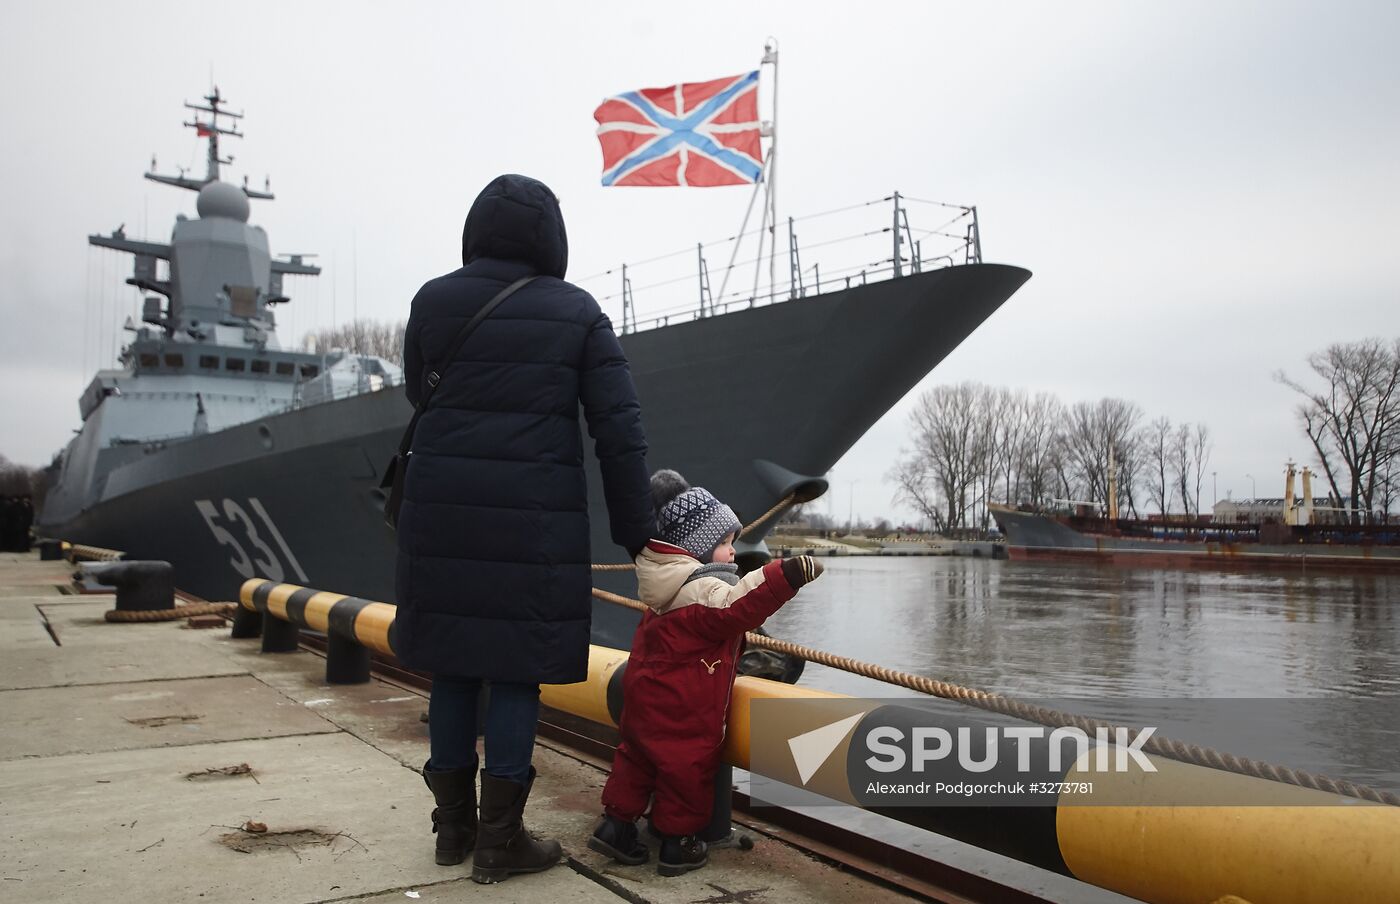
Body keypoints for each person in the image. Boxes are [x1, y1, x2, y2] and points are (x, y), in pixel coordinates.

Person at [395, 174, 653, 884]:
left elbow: (421, 390)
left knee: (452, 665)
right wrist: (638, 534)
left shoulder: (431, 300)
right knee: (514, 674)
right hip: (532, 522)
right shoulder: (576, 312)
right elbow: (618, 432)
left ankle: (452, 830)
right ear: (551, 238)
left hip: (440, 514)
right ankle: (500, 842)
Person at [589, 470, 824, 876]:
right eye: (725, 544)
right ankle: (678, 844)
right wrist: (784, 576)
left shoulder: (661, 589)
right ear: (695, 550)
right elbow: (739, 606)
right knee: (686, 770)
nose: (733, 552)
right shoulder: (704, 592)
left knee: (636, 760)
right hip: (685, 709)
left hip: (643, 698)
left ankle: (616, 827)